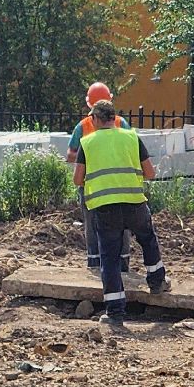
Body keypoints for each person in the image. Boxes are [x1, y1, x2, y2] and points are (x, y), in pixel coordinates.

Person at [76, 99, 169, 327]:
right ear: (114, 118)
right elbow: (150, 173)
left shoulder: (87, 143)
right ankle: (157, 282)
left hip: (105, 208)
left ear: (95, 118)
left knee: (109, 257)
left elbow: (78, 179)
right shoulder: (131, 137)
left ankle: (115, 313)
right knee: (147, 240)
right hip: (134, 203)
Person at [66, 82, 128, 271]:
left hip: (91, 184)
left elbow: (70, 155)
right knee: (122, 225)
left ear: (89, 105)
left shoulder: (83, 126)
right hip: (118, 183)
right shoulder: (121, 124)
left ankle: (95, 263)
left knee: (92, 225)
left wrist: (89, 156)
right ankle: (122, 264)